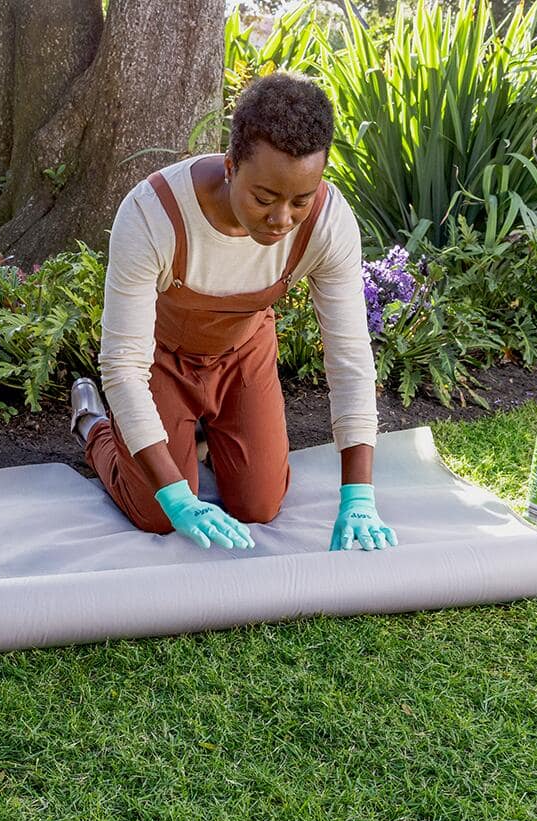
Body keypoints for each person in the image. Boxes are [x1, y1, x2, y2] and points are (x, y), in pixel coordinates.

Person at [68, 72, 398, 553]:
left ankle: (196, 434)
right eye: (264, 198)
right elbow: (123, 367)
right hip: (160, 360)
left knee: (260, 505)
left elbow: (349, 358)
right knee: (157, 513)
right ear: (229, 167)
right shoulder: (152, 214)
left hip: (244, 352)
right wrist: (178, 497)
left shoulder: (329, 224)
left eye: (300, 200)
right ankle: (94, 425)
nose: (282, 219)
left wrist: (360, 497)